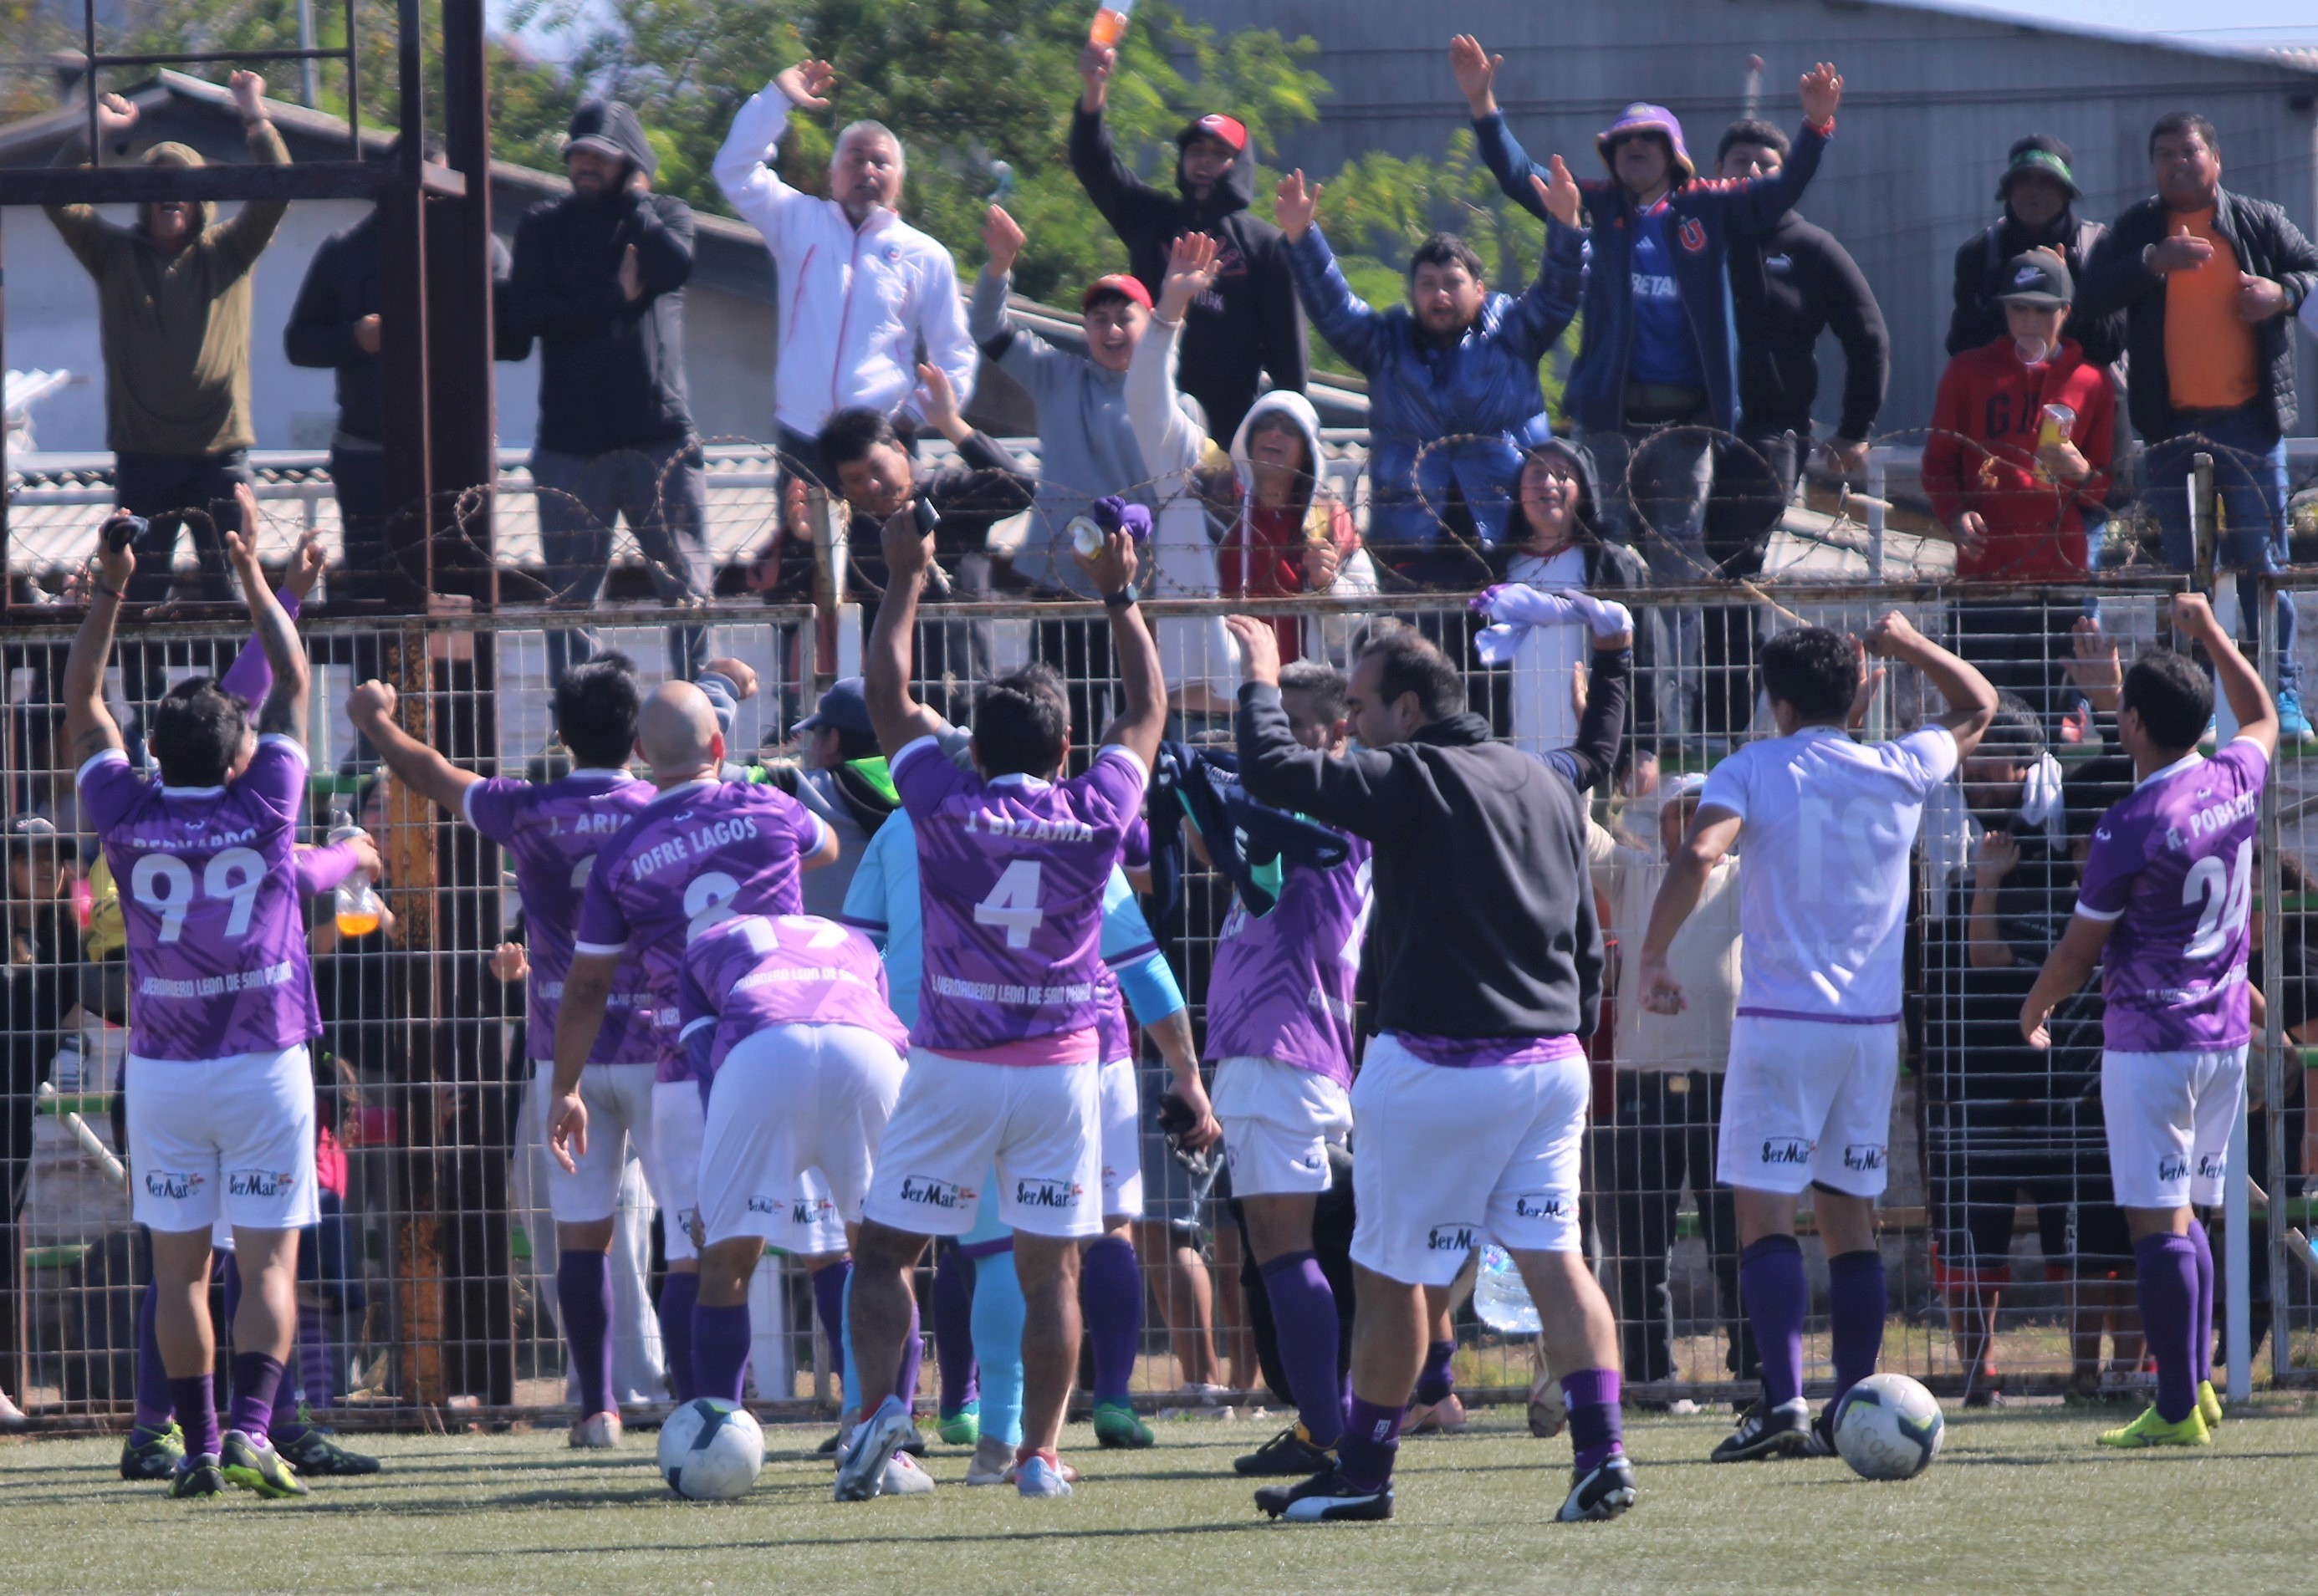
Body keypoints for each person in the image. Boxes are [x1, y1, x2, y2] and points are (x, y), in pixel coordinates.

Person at [1224, 604, 1638, 1526]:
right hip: (1551, 1063)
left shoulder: (1412, 776)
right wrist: (1615, 656)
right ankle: (1602, 1455)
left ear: (1408, 710)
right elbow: (1596, 762)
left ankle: (1364, 1473)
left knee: (1390, 1276)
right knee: (1557, 1264)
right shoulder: (1541, 776)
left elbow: (1274, 769)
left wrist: (1257, 679)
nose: (1350, 723)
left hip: (1437, 1069)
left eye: (1360, 705)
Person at [844, 501, 1215, 1502]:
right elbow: (1147, 710)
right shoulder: (1096, 812)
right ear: (1066, 752)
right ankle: (1041, 1455)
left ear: (973, 753)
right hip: (1061, 1074)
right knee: (1055, 1273)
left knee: (884, 1254)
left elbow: (886, 693)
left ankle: (877, 1424)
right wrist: (1120, 595)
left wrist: (904, 577)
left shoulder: (941, 803)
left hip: (953, 1065)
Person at [1639, 614, 1995, 1461]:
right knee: (1850, 1220)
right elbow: (1979, 704)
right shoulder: (1902, 763)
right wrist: (1908, 644)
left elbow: (1699, 852)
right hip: (1869, 1033)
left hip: (1782, 1026)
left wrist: (1652, 954)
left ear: (1780, 703)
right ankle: (1853, 1402)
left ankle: (1783, 1404)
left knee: (1764, 1214)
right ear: (1859, 692)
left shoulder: (1755, 765)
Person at [64, 484, 325, 1499]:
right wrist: (253, 573)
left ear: (157, 753)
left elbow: (84, 702)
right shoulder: (267, 800)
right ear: (238, 751)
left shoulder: (125, 808)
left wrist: (111, 589)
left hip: (165, 1070)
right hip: (263, 1061)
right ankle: (254, 1429)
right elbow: (291, 677)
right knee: (268, 1265)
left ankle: (203, 1444)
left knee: (178, 1275)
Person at [344, 655, 664, 1450]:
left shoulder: (529, 808)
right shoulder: (666, 806)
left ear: (560, 733)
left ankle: (599, 1408)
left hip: (566, 1062)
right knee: (691, 1234)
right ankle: (694, 1400)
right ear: (638, 738)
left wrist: (374, 720)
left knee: (576, 1236)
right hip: (663, 1049)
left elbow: (429, 771)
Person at [2019, 592, 2275, 1448]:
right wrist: (2213, 634)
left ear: (2131, 724)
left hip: (2151, 1041)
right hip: (2224, 1037)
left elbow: (2077, 951)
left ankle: (2172, 1407)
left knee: (2154, 1221)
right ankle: (2194, 1385)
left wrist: (2035, 1005)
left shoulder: (2129, 823)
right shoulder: (2235, 777)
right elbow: (2262, 714)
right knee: (2189, 1213)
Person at [549, 681, 841, 1407]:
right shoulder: (768, 806)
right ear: (719, 744)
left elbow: (587, 985)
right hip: (788, 1037)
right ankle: (874, 1414)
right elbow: (827, 845)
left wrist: (566, 1085)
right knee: (827, 1244)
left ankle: (705, 1419)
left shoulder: (623, 851)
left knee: (692, 1253)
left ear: (641, 754)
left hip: (688, 1064)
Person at [1458, 41, 1841, 582]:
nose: (1634, 146)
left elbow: (1779, 191)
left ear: (1673, 152)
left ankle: (1677, 646)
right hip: (1608, 424)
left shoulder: (1709, 205)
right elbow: (1521, 175)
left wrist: (1816, 128)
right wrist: (1483, 104)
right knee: (1606, 549)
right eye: (1623, 140)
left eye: (1647, 138)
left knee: (1676, 558)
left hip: (1686, 426)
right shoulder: (1595, 205)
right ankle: (1611, 640)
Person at [1179, 660, 1373, 1480]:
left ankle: (1330, 1433)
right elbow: (1223, 855)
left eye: (1293, 727)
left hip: (1279, 1047)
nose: (1272, 743)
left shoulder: (1324, 803)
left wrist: (1217, 777)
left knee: (1281, 1247)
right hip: (1293, 1047)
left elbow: (1251, 853)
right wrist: (1197, 789)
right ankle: (1328, 1424)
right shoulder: (1311, 806)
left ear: (1338, 731)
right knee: (1288, 1245)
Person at [2078, 113, 2318, 739]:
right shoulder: (2138, 229)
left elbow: (2313, 270)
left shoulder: (2259, 220)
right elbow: (2089, 295)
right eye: (2164, 154)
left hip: (2249, 422)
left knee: (2263, 563)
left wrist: (2282, 294)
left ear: (2216, 158)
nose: (2177, 163)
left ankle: (2280, 693)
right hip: (2169, 428)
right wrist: (2150, 262)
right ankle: (2194, 700)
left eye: (2188, 151)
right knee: (2186, 573)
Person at [1917, 699, 2127, 1405]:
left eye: (1987, 765)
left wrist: (2107, 693)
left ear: (2026, 767)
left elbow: (2005, 961)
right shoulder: (1951, 852)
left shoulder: (2052, 859)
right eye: (1966, 766)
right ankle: (1977, 1377)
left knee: (2089, 1246)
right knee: (1971, 1245)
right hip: (1972, 1083)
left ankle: (2093, 1373)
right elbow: (1956, 962)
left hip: (2062, 1088)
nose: (1972, 779)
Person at [678, 910, 927, 1494]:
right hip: (869, 1053)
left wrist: (716, 1184)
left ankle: (715, 1447)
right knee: (887, 1257)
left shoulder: (704, 944)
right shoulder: (855, 938)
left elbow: (709, 1063)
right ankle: (890, 1446)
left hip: (764, 1052)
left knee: (727, 1261)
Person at [1271, 158, 1585, 582]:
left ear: (1479, 290)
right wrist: (1302, 236)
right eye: (1427, 284)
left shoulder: (1513, 334)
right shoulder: (1386, 345)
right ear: (1412, 293)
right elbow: (1335, 309)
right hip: (1409, 542)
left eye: (1452, 282)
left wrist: (1565, 227)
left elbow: (1557, 295)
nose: (1440, 295)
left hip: (1507, 536)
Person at [43, 73, 287, 613]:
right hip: (144, 455)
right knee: (137, 595)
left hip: (219, 452)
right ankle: (138, 675)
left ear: (200, 200)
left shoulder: (226, 251)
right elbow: (56, 196)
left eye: (182, 185)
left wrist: (253, 112)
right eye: (158, 185)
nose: (171, 195)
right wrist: (95, 131)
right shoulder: (114, 253)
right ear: (142, 199)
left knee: (231, 595)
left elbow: (277, 188)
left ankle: (233, 677)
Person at [501, 99, 710, 687]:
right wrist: (612, 298)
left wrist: (637, 203)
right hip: (571, 446)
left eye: (602, 155)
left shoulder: (664, 216)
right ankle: (578, 722)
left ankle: (702, 712)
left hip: (658, 441)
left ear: (631, 161)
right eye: (578, 154)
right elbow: (525, 315)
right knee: (571, 601)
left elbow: (675, 266)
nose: (586, 164)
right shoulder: (543, 225)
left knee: (688, 591)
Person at [713, 59, 978, 495]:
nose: (868, 170)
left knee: (891, 541)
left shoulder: (926, 256)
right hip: (804, 434)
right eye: (856, 160)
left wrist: (912, 417)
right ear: (832, 175)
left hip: (881, 442)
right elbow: (734, 171)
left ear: (899, 183)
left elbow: (955, 354)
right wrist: (775, 99)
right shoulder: (798, 221)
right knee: (804, 541)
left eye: (881, 163)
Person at [284, 133, 514, 619]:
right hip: (369, 452)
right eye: (416, 184)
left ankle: (452, 675)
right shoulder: (346, 249)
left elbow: (513, 337)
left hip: (457, 452)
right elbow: (299, 342)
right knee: (375, 591)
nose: (428, 197)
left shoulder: (478, 246)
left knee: (461, 587)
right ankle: (380, 670)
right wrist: (355, 338)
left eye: (439, 185)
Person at [1129, 232, 1376, 681]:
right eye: (1265, 424)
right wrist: (1169, 311)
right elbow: (1147, 404)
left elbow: (1355, 625)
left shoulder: (1327, 519)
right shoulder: (1207, 484)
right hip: (1214, 696)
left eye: (1289, 429)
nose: (1274, 434)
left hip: (1297, 703)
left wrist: (1329, 587)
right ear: (1247, 434)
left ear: (1307, 451)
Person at [1587, 773, 1752, 1395]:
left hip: (1726, 1083)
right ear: (1661, 822)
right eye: (1681, 810)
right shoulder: (1633, 874)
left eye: (1705, 810)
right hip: (1643, 1086)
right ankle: (1651, 1381)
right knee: (1639, 1251)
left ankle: (1754, 1372)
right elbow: (1576, 828)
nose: (1692, 822)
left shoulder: (1751, 876)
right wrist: (1586, 757)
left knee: (1737, 1244)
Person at [1070, 40, 1307, 445]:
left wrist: (1290, 437)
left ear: (1239, 165)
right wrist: (1094, 92)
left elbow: (1289, 358)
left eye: (1218, 153)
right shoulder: (1151, 218)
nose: (1203, 161)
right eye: (1196, 150)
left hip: (1229, 432)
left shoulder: (1266, 246)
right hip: (1147, 421)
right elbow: (1095, 165)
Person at [1922, 248, 2116, 737]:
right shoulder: (1967, 372)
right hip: (1985, 576)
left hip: (2059, 577)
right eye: (2019, 308)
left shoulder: (2093, 382)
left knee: (2045, 725)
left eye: (2043, 310)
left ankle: (2044, 788)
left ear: (2065, 313)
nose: (2029, 321)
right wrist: (1955, 515)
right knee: (1980, 720)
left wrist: (2081, 472)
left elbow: (2107, 489)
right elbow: (1939, 463)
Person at [814, 365, 1034, 724]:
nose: (871, 486)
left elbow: (1021, 487)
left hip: (968, 687)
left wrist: (950, 424)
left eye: (877, 468)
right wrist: (807, 539)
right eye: (854, 479)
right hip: (893, 697)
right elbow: (796, 600)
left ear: (901, 450)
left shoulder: (945, 495)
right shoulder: (846, 528)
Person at [1710, 118, 1887, 548]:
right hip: (1693, 426)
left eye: (1765, 163)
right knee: (1670, 560)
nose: (1752, 170)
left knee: (1737, 561)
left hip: (1773, 431)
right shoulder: (1695, 236)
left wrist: (1854, 429)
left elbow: (1868, 338)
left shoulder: (1812, 248)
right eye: (1740, 160)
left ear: (1787, 174)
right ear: (1718, 169)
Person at [1469, 431, 1655, 765]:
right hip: (1507, 759)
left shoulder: (1611, 566)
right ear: (1519, 490)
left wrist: (1644, 744)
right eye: (1537, 472)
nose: (1548, 483)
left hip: (1593, 755)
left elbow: (1646, 656)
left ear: (1583, 492)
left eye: (1562, 474)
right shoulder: (1492, 570)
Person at [1949, 135, 2124, 372]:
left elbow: (2111, 346)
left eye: (2046, 181)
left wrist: (2066, 286)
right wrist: (2010, 299)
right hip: (2002, 389)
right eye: (2024, 180)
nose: (2034, 190)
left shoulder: (2099, 247)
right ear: (2008, 192)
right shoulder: (1980, 254)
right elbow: (1961, 348)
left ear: (2066, 192)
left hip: (2081, 390)